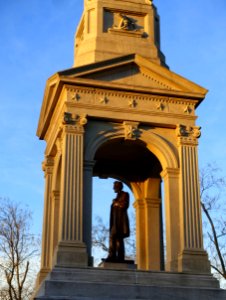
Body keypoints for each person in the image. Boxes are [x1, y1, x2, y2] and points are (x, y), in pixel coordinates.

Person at [106, 181, 130, 262]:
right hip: (114, 221)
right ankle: (113, 256)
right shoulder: (116, 197)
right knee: (113, 237)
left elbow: (124, 205)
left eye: (115, 186)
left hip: (120, 221)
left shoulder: (125, 194)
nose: (113, 188)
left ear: (118, 186)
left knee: (118, 238)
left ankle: (117, 256)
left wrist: (116, 203)